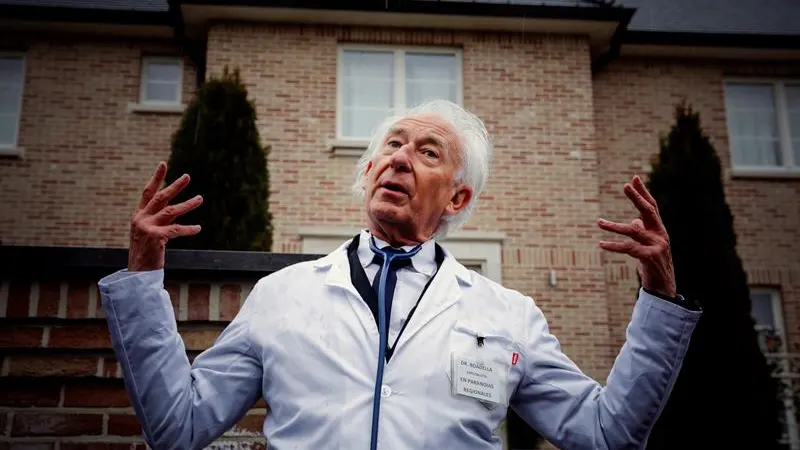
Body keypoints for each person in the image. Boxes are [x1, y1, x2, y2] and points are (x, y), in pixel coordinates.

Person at [99, 100, 701, 450]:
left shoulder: (506, 315)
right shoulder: (282, 297)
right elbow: (178, 427)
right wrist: (144, 274)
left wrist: (659, 297)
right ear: (368, 171)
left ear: (458, 200)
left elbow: (607, 432)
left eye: (427, 151)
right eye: (391, 145)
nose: (400, 159)